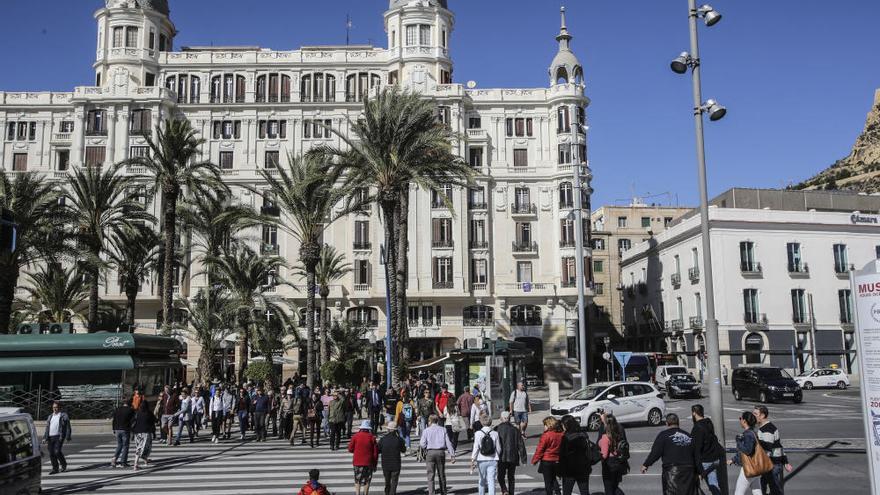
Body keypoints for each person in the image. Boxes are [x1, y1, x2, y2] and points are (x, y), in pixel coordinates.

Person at [640, 413, 699, 495]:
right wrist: (699, 471)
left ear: (667, 423)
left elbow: (655, 453)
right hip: (689, 472)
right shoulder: (688, 436)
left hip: (672, 472)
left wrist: (646, 464)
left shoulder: (663, 435)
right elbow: (696, 455)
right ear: (678, 423)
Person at [754, 405, 792, 495]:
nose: (753, 416)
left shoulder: (767, 429)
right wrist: (785, 461)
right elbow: (778, 445)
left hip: (771, 465)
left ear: (762, 415)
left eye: (755, 414)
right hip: (772, 464)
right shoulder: (767, 427)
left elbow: (767, 447)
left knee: (773, 489)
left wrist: (755, 440)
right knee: (767, 487)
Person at [691, 404, 725, 495]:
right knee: (714, 485)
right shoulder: (708, 423)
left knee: (713, 486)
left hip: (706, 461)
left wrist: (700, 471)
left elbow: (696, 449)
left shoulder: (697, 428)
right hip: (714, 458)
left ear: (694, 413)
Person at [420, 414, 456, 495]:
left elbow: (422, 444)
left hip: (430, 452)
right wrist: (452, 455)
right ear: (437, 421)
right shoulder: (443, 429)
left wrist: (427, 447)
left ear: (430, 421)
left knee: (430, 475)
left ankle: (431, 492)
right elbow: (448, 443)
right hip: (440, 452)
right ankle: (443, 492)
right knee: (441, 474)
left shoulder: (426, 430)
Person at [728, 411, 761, 495]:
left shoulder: (748, 434)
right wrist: (733, 460)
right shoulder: (753, 433)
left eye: (740, 418)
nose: (740, 420)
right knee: (757, 491)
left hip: (748, 468)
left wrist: (738, 441)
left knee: (738, 493)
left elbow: (747, 451)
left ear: (744, 421)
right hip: (756, 467)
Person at [496, 411, 527, 495]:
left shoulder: (497, 429)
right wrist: (523, 459)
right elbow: (521, 445)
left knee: (500, 476)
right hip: (513, 456)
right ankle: (511, 493)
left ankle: (504, 490)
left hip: (501, 457)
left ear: (501, 419)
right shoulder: (515, 430)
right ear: (509, 419)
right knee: (511, 478)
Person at [559, 415, 591, 495]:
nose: (562, 427)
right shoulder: (583, 434)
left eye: (562, 424)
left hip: (569, 470)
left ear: (566, 425)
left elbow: (562, 455)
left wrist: (560, 470)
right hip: (583, 467)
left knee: (567, 492)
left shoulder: (566, 437)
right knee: (584, 491)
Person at [532, 416, 564, 495]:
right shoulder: (560, 434)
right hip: (556, 460)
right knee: (554, 479)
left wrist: (535, 460)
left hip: (547, 461)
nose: (544, 427)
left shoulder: (546, 435)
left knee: (548, 482)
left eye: (545, 425)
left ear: (549, 425)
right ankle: (558, 493)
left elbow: (540, 449)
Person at [471, 413, 501, 495]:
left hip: (481, 459)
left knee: (482, 480)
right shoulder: (495, 433)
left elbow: (476, 448)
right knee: (491, 480)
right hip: (493, 458)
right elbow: (498, 448)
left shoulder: (477, 433)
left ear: (481, 422)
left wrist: (473, 459)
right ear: (490, 422)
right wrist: (498, 456)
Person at [599, 413, 628, 495]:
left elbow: (604, 455)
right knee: (614, 486)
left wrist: (597, 457)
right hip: (618, 462)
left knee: (609, 489)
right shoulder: (618, 433)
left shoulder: (605, 437)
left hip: (609, 464)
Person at [348, 420, 379, 495]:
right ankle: (365, 493)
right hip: (368, 462)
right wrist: (375, 464)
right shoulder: (372, 437)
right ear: (368, 429)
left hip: (357, 462)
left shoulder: (355, 436)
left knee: (357, 479)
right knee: (367, 480)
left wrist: (356, 451)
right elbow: (375, 453)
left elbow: (350, 449)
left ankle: (357, 493)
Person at [43, 401, 72, 475]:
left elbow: (68, 426)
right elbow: (47, 428)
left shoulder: (63, 415)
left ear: (59, 408)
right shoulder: (50, 416)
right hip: (50, 436)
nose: (55, 409)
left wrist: (68, 436)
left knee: (57, 451)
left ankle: (63, 464)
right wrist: (45, 437)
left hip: (59, 436)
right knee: (51, 453)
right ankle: (55, 469)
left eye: (56, 407)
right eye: (53, 407)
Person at [378, 421, 406, 495]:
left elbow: (378, 450)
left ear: (388, 430)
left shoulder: (383, 439)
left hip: (385, 464)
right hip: (396, 464)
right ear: (396, 430)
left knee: (387, 481)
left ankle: (387, 492)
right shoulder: (399, 439)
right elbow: (403, 450)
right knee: (394, 481)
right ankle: (392, 493)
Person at [111, 398, 134, 468]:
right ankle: (123, 462)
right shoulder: (130, 410)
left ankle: (114, 458)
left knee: (119, 445)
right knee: (125, 446)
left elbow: (114, 420)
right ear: (129, 403)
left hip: (117, 429)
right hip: (125, 429)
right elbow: (133, 420)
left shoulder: (117, 409)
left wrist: (113, 429)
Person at [132, 399, 154, 471]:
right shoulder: (149, 413)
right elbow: (154, 421)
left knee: (139, 447)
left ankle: (142, 461)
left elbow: (133, 421)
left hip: (137, 433)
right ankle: (139, 461)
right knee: (145, 448)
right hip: (145, 432)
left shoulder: (137, 413)